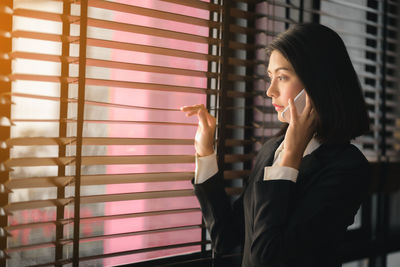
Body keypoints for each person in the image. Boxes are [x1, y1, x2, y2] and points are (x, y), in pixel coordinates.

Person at [180, 23, 371, 267]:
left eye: (282, 77)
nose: (270, 91)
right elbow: (227, 237)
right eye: (270, 77)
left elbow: (267, 259)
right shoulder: (273, 149)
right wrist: (206, 152)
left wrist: (291, 156)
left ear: (317, 83)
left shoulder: (347, 168)